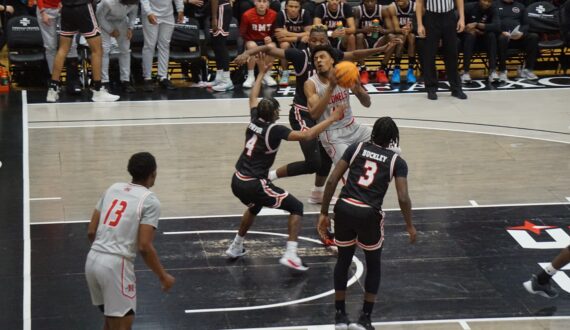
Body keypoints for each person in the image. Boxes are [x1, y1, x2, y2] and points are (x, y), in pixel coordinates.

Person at [234, 25, 398, 207]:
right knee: (314, 162)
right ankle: (270, 176)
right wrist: (247, 54)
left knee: (326, 158)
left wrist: (381, 50)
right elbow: (268, 48)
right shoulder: (300, 56)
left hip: (332, 119)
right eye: (313, 41)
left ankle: (317, 194)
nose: (316, 44)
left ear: (327, 44)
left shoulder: (333, 58)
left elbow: (355, 55)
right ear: (307, 40)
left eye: (321, 41)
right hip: (303, 113)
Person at [226, 54, 346, 271]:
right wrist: (331, 119)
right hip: (254, 182)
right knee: (296, 207)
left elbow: (252, 98)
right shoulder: (275, 129)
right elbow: (307, 136)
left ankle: (236, 246)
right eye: (277, 111)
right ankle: (290, 254)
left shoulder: (254, 120)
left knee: (255, 206)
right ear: (273, 114)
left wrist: (261, 73)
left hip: (237, 180)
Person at [318, 117, 416, 330]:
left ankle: (340, 317)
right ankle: (364, 319)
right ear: (393, 139)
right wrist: (409, 225)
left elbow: (333, 180)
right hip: (368, 213)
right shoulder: (397, 162)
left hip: (344, 208)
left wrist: (324, 212)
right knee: (373, 265)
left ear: (373, 134)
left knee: (343, 261)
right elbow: (403, 197)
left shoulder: (356, 147)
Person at [85, 152, 175, 329]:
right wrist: (162, 276)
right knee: (122, 326)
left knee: (111, 323)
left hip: (92, 260)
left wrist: (102, 252)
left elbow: (91, 231)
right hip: (115, 266)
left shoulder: (113, 188)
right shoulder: (150, 201)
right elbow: (144, 246)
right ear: (153, 174)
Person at [305, 45, 372, 166]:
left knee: (388, 146)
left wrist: (358, 88)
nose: (318, 60)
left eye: (322, 57)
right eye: (315, 59)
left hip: (353, 127)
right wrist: (331, 88)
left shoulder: (344, 75)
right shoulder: (311, 84)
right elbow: (314, 114)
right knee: (346, 169)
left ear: (332, 60)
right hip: (331, 134)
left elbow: (367, 104)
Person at [46, 0, 120, 102]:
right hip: (83, 7)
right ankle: (98, 90)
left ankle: (52, 90)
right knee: (97, 50)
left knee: (63, 49)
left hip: (66, 8)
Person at [416, 0, 468, 100]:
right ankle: (431, 88)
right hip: (431, 16)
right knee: (429, 54)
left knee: (452, 53)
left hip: (449, 16)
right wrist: (420, 24)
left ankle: (456, 88)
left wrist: (462, 18)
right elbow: (419, 3)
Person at [37, 0, 82, 94]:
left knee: (72, 44)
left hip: (64, 7)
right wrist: (42, 11)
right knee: (50, 46)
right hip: (46, 9)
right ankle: (54, 82)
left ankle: (73, 81)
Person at [140, 0, 184, 91]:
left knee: (165, 45)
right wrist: (148, 12)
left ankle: (162, 76)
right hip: (151, 13)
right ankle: (147, 78)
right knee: (149, 45)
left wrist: (180, 9)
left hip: (168, 15)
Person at [96, 0, 138, 93]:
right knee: (105, 49)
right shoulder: (107, 2)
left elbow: (133, 14)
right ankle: (104, 82)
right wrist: (110, 30)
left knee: (125, 50)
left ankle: (125, 81)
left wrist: (130, 28)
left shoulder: (134, 2)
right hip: (105, 20)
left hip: (122, 21)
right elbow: (99, 17)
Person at [354, 0, 399, 84]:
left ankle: (382, 70)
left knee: (392, 37)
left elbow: (392, 29)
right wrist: (363, 30)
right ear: (363, 1)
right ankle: (363, 71)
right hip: (364, 43)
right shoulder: (358, 10)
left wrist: (382, 30)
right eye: (367, 1)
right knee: (359, 36)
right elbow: (353, 30)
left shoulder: (382, 10)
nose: (370, 3)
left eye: (372, 1)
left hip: (379, 42)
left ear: (376, 1)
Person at [496, 0, 539, 82]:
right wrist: (501, 31)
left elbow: (526, 24)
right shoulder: (495, 5)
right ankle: (502, 71)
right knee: (502, 38)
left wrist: (521, 33)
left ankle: (527, 69)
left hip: (518, 36)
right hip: (503, 36)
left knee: (534, 37)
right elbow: (493, 22)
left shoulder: (521, 6)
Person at [239, 0, 278, 88]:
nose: (262, 4)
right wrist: (249, 40)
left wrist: (271, 38)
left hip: (266, 42)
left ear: (268, 3)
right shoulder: (247, 15)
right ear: (255, 2)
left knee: (272, 46)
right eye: (259, 1)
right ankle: (251, 76)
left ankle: (266, 75)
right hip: (252, 40)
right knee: (251, 46)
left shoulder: (274, 14)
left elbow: (276, 32)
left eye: (264, 1)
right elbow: (242, 33)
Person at [274, 0, 313, 86]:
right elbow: (279, 37)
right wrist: (300, 36)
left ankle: (306, 73)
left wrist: (287, 34)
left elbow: (310, 34)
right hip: (290, 42)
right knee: (284, 44)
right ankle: (285, 73)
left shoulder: (305, 13)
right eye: (291, 6)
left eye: (296, 7)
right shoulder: (281, 14)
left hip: (302, 42)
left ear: (300, 7)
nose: (293, 9)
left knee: (309, 40)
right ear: (286, 6)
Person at [461, 0, 500, 83]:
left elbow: (497, 26)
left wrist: (477, 25)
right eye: (485, 0)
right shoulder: (468, 7)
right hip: (467, 38)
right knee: (471, 36)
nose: (487, 3)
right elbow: (457, 24)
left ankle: (492, 71)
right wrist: (466, 29)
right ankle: (465, 72)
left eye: (489, 1)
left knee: (491, 36)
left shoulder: (493, 9)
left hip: (483, 38)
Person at [208, 0, 235, 91]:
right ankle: (219, 78)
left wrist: (214, 17)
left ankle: (227, 79)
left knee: (220, 44)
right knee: (216, 45)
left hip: (221, 8)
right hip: (218, 9)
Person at [392, 0, 417, 84]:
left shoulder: (415, 6)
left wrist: (411, 29)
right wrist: (403, 30)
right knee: (401, 37)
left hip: (412, 37)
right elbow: (395, 28)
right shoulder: (392, 7)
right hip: (398, 35)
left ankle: (410, 71)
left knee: (412, 36)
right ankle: (396, 70)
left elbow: (417, 25)